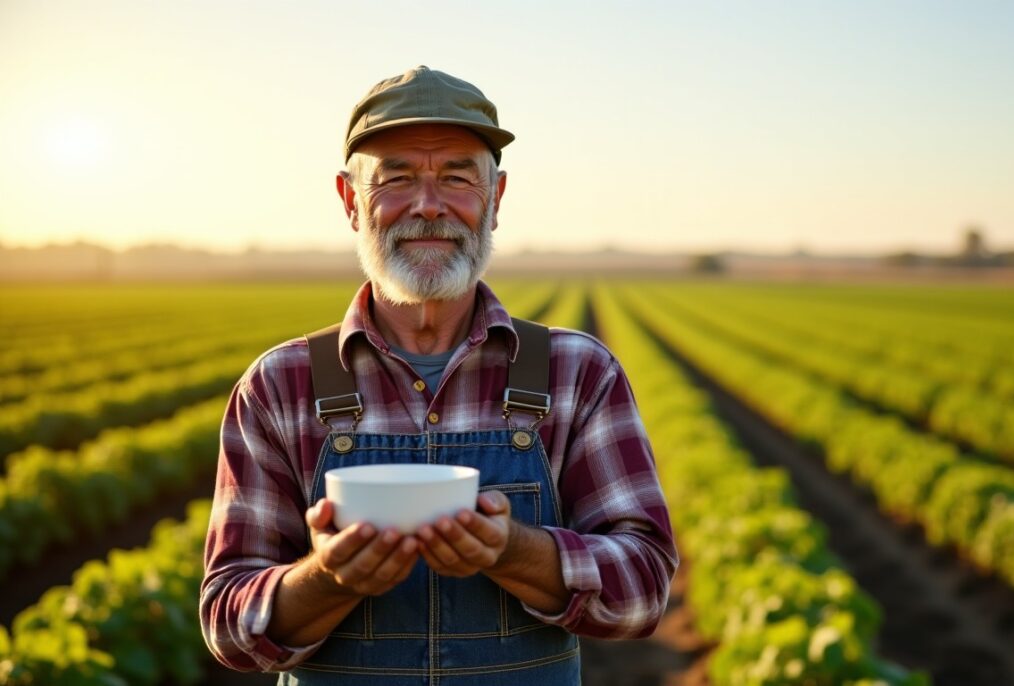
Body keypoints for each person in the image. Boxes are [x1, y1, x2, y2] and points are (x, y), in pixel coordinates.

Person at [199, 66, 678, 685]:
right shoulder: (280, 387)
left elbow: (643, 589)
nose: (428, 206)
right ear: (350, 201)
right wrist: (326, 579)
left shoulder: (577, 373)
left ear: (495, 200)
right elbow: (227, 623)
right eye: (396, 178)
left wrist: (516, 552)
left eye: (457, 177)